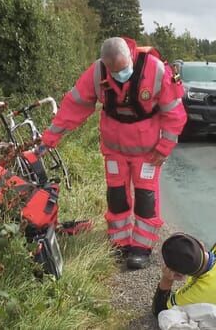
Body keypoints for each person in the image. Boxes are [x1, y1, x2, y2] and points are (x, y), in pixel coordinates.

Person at [39, 37, 187, 269]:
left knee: (146, 200)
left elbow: (174, 113)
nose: (120, 75)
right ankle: (120, 243)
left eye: (123, 69)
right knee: (117, 196)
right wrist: (49, 139)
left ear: (130, 56)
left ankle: (141, 247)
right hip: (114, 150)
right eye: (114, 71)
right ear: (106, 65)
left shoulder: (156, 70)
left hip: (148, 152)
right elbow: (73, 106)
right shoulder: (98, 73)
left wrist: (164, 149)